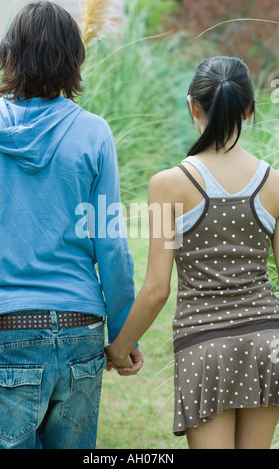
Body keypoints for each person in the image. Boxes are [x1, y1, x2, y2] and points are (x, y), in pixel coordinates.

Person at [0, 1, 143, 450]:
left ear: (9, 55)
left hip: (4, 329)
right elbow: (111, 245)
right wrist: (124, 333)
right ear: (74, 59)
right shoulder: (94, 134)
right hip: (79, 332)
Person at [105, 56, 279, 449]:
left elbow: (155, 291)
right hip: (268, 341)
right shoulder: (274, 183)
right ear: (250, 109)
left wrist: (119, 349)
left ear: (192, 106)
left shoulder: (169, 185)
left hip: (205, 346)